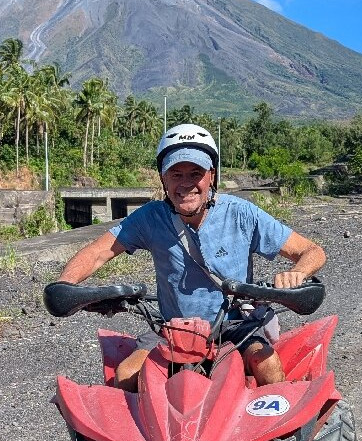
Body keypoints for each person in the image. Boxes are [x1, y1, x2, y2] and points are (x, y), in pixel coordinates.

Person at [56, 123, 326, 392]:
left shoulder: (242, 214)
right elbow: (97, 252)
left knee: (267, 367)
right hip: (173, 328)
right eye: (176, 173)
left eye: (195, 173)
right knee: (126, 374)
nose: (186, 183)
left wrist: (298, 274)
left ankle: (277, 434)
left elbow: (312, 251)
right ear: (163, 179)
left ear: (211, 175)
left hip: (236, 325)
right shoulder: (150, 218)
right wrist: (65, 286)